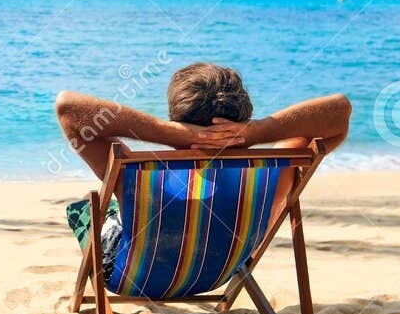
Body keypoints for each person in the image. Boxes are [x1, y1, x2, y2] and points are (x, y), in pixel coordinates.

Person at [54, 63, 350, 275]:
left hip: (135, 275)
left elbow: (68, 107)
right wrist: (254, 133)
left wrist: (170, 133)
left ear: (176, 118)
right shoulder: (276, 171)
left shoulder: (140, 175)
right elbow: (339, 111)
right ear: (244, 116)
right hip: (224, 269)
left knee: (84, 206)